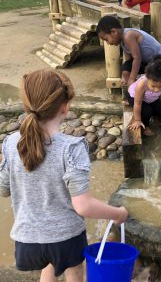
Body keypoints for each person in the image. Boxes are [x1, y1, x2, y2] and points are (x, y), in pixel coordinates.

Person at [0, 69, 128, 282]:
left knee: (49, 267)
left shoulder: (11, 143)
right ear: (65, 106)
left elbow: (4, 188)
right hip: (65, 238)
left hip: (28, 239)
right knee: (74, 273)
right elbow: (83, 206)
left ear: (27, 105)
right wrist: (117, 213)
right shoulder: (72, 148)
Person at [96, 16, 161, 88]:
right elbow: (128, 60)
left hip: (159, 61)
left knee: (152, 77)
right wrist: (126, 74)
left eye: (107, 39)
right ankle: (132, 89)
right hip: (146, 61)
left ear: (114, 32)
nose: (108, 43)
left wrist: (132, 78)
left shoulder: (128, 36)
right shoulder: (122, 39)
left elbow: (137, 58)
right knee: (125, 70)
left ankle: (141, 90)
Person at [128, 56, 161, 136]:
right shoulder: (142, 84)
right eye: (153, 86)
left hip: (151, 98)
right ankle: (145, 126)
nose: (157, 89)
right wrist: (137, 120)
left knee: (160, 110)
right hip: (135, 97)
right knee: (147, 111)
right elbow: (137, 104)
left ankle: (157, 119)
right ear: (147, 78)